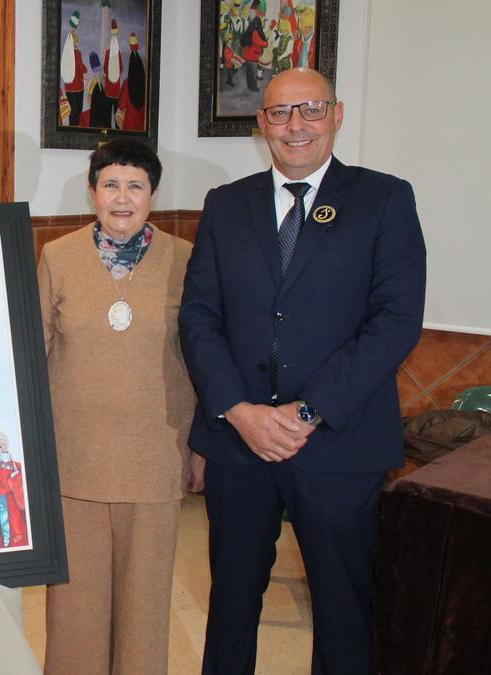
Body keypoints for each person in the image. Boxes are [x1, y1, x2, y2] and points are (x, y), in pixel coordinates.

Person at [179, 68, 426, 673]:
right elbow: (199, 318)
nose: (296, 126)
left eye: (311, 110)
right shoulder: (225, 205)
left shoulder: (384, 199)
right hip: (240, 446)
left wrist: (307, 412)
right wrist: (239, 411)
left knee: (344, 609)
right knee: (231, 602)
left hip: (340, 445)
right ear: (261, 123)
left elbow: (395, 321)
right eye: (281, 113)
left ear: (337, 115)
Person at [38, 140, 200, 674]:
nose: (122, 198)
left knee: (145, 606)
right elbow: (34, 354)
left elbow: (204, 357)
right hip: (73, 459)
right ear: (93, 192)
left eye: (135, 185)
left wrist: (203, 445)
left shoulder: (186, 260)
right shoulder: (57, 257)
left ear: (153, 193)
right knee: (74, 606)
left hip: (155, 456)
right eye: (111, 184)